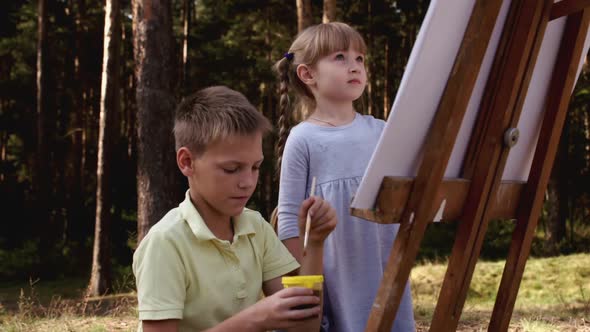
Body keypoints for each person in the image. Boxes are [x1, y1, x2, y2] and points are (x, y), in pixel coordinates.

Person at [132, 86, 337, 332]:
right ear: (187, 162)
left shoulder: (255, 227)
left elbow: (304, 328)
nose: (247, 182)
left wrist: (314, 244)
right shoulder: (165, 243)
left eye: (256, 167)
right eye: (232, 169)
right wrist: (254, 319)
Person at [274, 22, 415, 332]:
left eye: (360, 59)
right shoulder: (303, 138)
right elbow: (287, 220)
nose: (355, 66)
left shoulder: (381, 131)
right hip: (336, 276)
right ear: (308, 74)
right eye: (340, 57)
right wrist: (309, 288)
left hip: (384, 266)